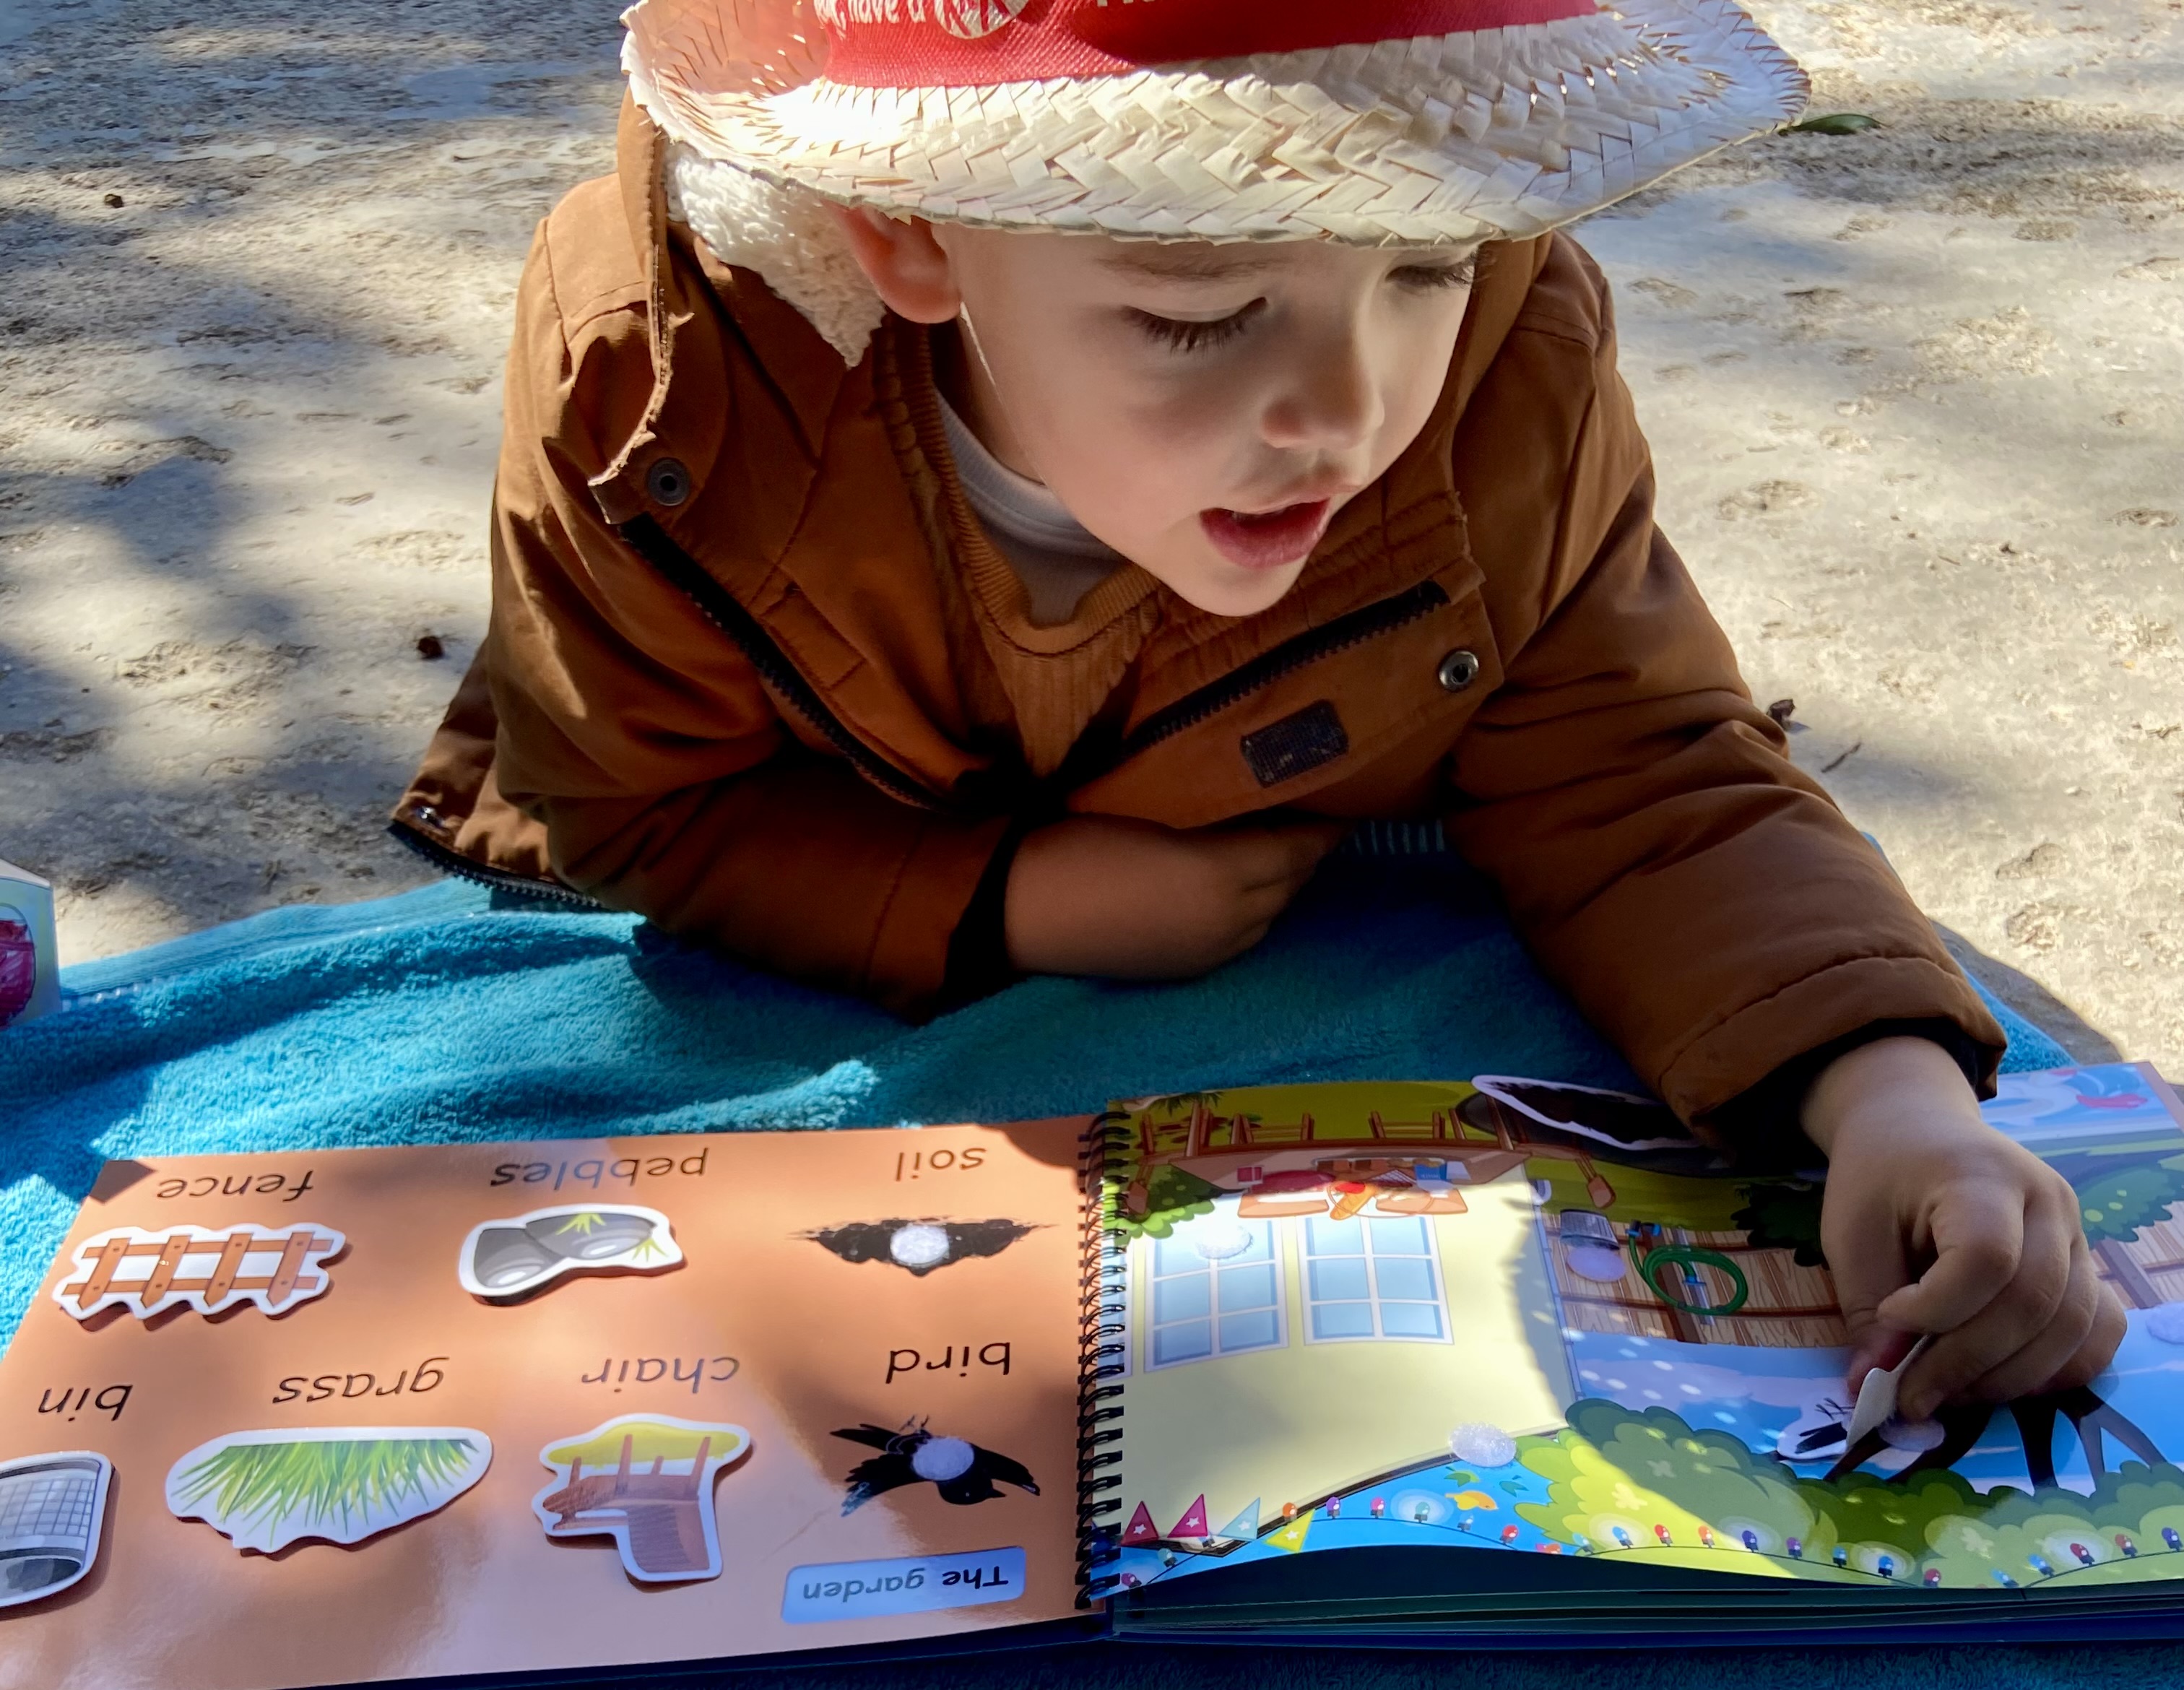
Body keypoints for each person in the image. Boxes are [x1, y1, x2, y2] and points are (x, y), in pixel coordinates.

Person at [394, 0, 2123, 1418]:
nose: (1345, 409)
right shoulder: (657, 385)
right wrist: (1002, 903)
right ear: (907, 230)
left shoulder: (1512, 366)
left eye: (1423, 269)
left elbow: (1639, 759)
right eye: (1200, 314)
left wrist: (1891, 1099)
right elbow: (630, 797)